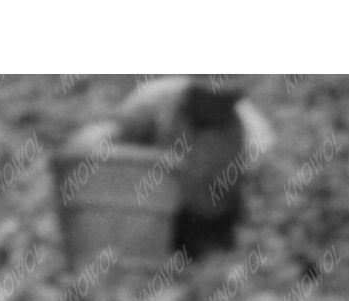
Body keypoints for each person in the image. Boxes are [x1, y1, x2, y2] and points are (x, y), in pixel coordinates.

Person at [85, 77, 274, 258]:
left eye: (221, 99)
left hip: (211, 223)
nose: (211, 105)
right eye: (205, 94)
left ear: (235, 99)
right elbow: (108, 140)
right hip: (145, 212)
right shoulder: (151, 102)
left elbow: (257, 207)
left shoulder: (255, 136)